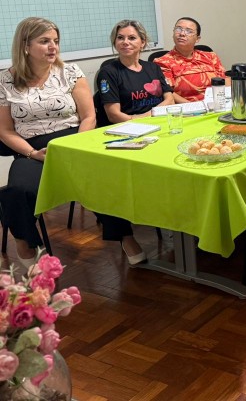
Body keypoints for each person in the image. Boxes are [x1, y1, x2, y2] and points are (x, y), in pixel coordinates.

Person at [0, 18, 96, 267]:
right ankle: (25, 242)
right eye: (44, 41)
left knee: (106, 178)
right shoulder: (5, 81)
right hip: (33, 149)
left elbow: (89, 116)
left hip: (75, 143)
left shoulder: (70, 72)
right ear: (25, 46)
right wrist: (32, 153)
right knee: (18, 191)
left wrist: (74, 147)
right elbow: (5, 131)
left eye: (56, 41)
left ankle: (126, 237)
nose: (53, 47)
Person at [96, 19, 175, 264]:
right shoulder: (109, 71)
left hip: (156, 129)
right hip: (125, 134)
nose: (125, 42)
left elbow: (169, 98)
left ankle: (177, 217)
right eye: (120, 38)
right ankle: (125, 235)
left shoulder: (152, 68)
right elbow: (113, 115)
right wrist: (144, 118)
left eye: (131, 38)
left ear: (143, 42)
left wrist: (152, 116)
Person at [154, 17, 226, 103]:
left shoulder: (210, 56)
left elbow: (225, 80)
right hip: (187, 107)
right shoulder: (162, 62)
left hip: (217, 104)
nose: (182, 34)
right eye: (178, 29)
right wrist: (193, 106)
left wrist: (224, 101)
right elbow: (169, 93)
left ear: (197, 39)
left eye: (189, 31)